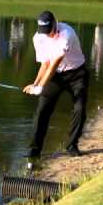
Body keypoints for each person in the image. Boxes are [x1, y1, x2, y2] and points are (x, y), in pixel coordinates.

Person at [23, 10, 89, 163]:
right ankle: (35, 149)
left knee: (79, 108)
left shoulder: (67, 33)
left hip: (77, 73)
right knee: (42, 110)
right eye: (45, 32)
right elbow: (45, 64)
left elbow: (55, 63)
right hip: (56, 75)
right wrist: (36, 84)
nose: (48, 34)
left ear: (55, 23)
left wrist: (41, 85)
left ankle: (72, 145)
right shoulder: (38, 38)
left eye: (50, 31)